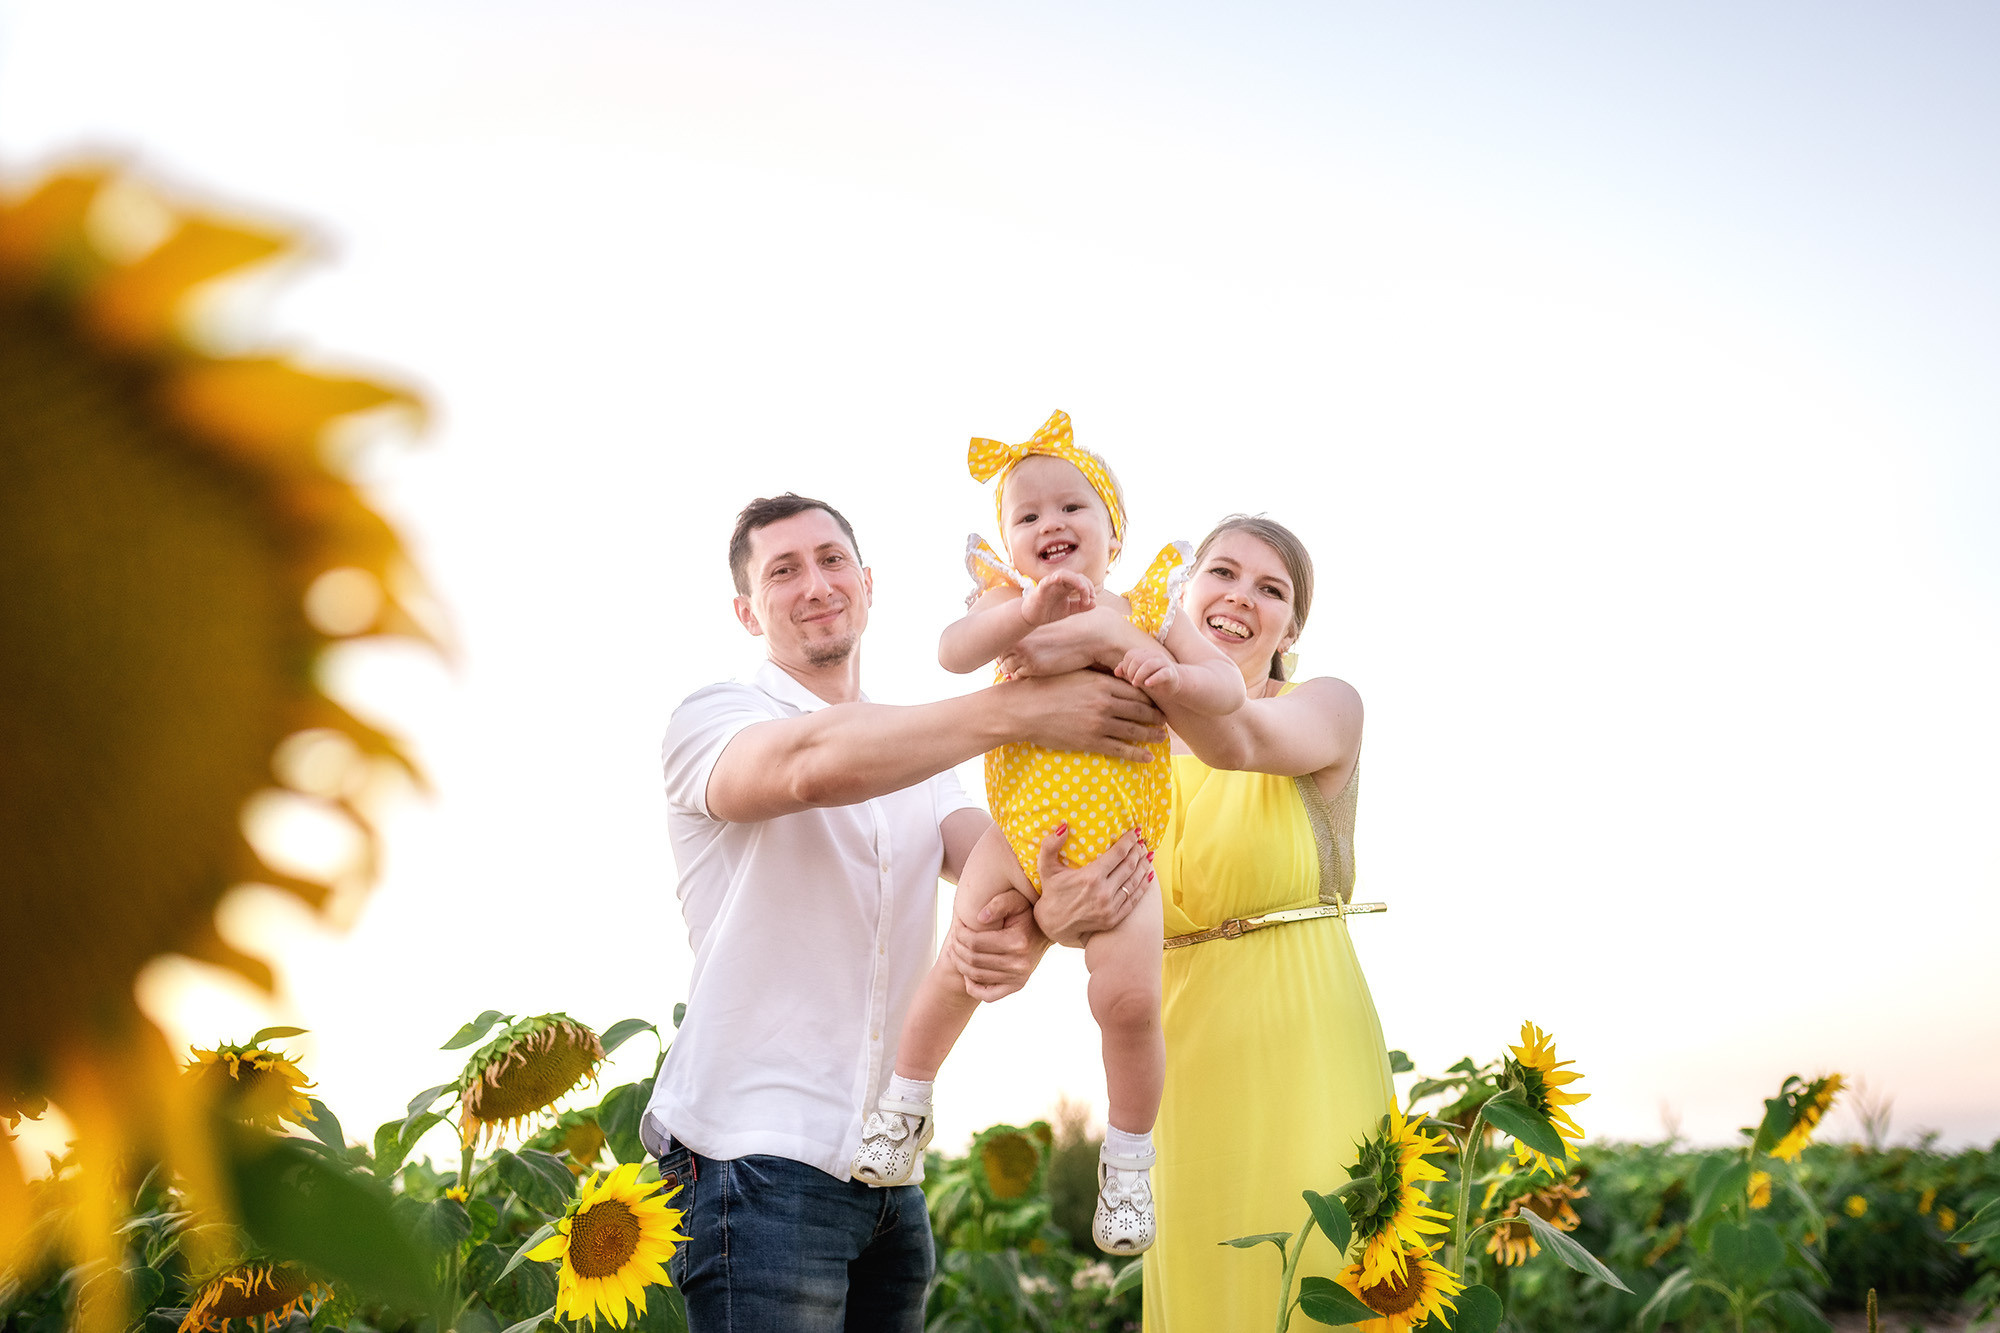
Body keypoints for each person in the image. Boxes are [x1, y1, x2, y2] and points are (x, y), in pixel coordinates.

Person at [639, 492, 1162, 1333]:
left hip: (890, 1184)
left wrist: (1045, 918)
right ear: (746, 610)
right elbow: (809, 768)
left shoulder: (925, 749)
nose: (815, 583)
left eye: (831, 559)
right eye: (784, 570)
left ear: (869, 584)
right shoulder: (713, 718)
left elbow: (1008, 859)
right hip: (753, 1162)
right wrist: (1022, 709)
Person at [849, 413, 1242, 1260]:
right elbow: (954, 653)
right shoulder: (1005, 602)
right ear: (1009, 543)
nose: (1049, 525)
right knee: (963, 955)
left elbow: (1226, 688)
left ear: (1113, 532)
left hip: (1124, 856)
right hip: (1019, 832)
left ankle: (1129, 1162)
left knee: (1130, 1001)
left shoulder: (1147, 607)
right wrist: (1019, 610)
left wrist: (1172, 673)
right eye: (1026, 517)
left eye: (1072, 507)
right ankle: (903, 1106)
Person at [996, 514, 1393, 1330]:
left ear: (1292, 627)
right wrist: (1051, 908)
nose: (1241, 598)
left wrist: (1139, 633)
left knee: (1323, 1277)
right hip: (1176, 1056)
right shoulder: (1121, 743)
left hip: (1307, 1041)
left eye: (1271, 589)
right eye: (1223, 572)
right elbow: (1072, 889)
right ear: (1188, 585)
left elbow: (1238, 739)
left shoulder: (1324, 708)